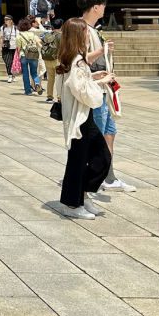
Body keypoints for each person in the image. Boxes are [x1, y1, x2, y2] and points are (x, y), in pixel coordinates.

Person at [56, 17, 113, 220]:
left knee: (96, 158)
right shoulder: (76, 61)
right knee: (83, 160)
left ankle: (82, 195)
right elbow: (82, 92)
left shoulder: (70, 58)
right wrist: (100, 82)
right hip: (79, 117)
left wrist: (94, 77)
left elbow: (76, 84)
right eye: (86, 32)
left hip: (80, 116)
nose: (88, 35)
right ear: (79, 35)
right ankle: (72, 203)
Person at [79, 0, 136, 192]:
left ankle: (108, 176)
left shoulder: (93, 29)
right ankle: (94, 176)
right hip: (95, 88)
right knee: (98, 134)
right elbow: (80, 59)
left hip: (104, 87)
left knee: (109, 131)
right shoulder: (82, 28)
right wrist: (102, 50)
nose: (104, 8)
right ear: (95, 7)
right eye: (102, 5)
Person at [15, 17, 43, 95]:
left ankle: (28, 91)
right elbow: (38, 42)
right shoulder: (33, 34)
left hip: (24, 55)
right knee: (34, 73)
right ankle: (37, 83)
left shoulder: (19, 35)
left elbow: (18, 47)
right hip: (34, 55)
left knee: (26, 73)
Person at [0, 14, 18, 82]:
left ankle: (12, 75)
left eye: (7, 19)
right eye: (5, 20)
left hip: (14, 47)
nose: (5, 21)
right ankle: (10, 75)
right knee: (7, 61)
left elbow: (18, 38)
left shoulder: (15, 28)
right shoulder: (3, 27)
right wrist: (1, 45)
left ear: (11, 20)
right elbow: (1, 37)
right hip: (6, 47)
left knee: (13, 62)